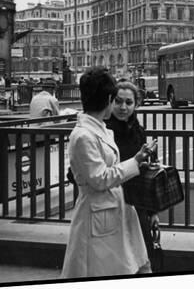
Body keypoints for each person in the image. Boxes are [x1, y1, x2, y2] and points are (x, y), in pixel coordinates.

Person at [61, 67, 152, 278]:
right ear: (109, 99)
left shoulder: (99, 128)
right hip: (97, 214)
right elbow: (100, 179)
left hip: (110, 210)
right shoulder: (84, 136)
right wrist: (135, 162)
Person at [106, 80, 159, 271]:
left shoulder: (138, 131)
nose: (123, 107)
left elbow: (146, 175)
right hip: (111, 204)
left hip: (136, 206)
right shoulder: (104, 132)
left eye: (128, 103)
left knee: (142, 259)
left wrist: (153, 212)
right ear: (110, 102)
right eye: (118, 101)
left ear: (136, 104)